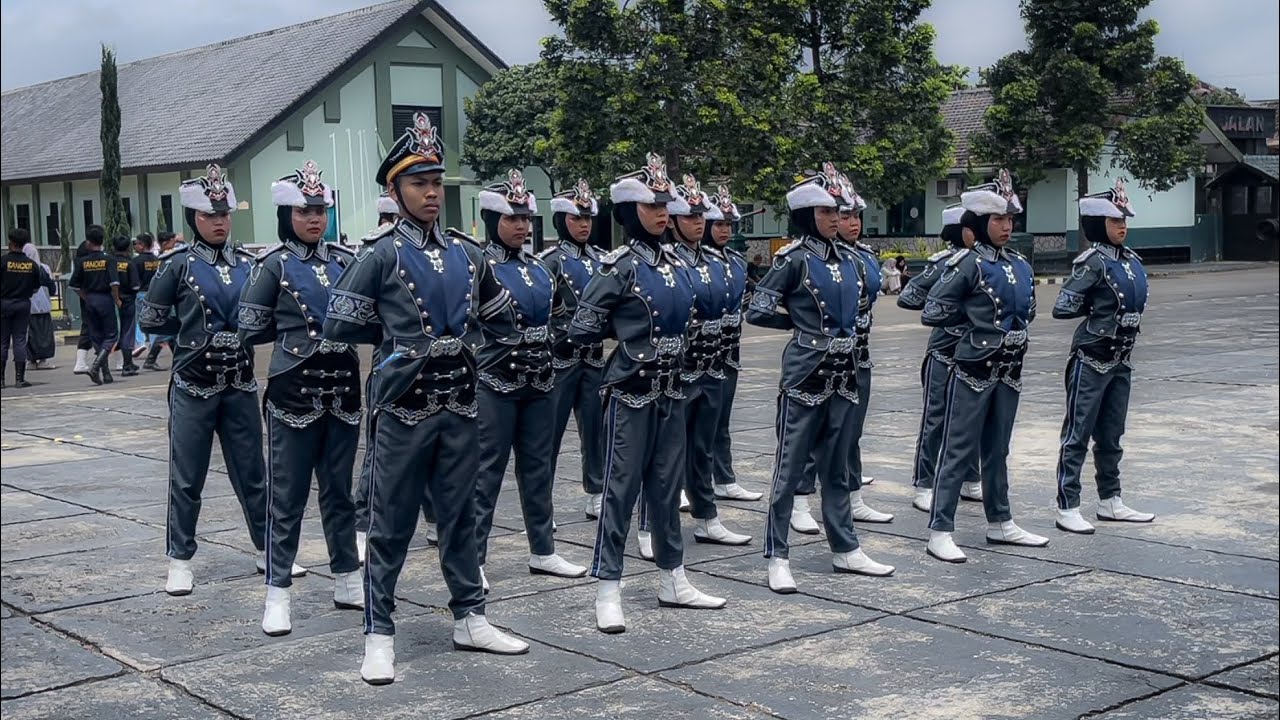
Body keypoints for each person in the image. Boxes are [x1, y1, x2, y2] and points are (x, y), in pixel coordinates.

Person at [323, 112, 529, 685]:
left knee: (461, 519)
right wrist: (398, 352)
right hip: (403, 410)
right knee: (389, 525)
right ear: (395, 190)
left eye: (437, 182)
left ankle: (470, 617)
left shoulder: (469, 254)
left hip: (461, 407)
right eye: (419, 183)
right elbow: (340, 325)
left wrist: (465, 355)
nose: (432, 192)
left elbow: (504, 323)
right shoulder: (378, 255)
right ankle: (378, 633)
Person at [569, 152, 727, 634]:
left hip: (672, 388)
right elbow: (583, 327)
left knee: (666, 486)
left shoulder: (676, 261)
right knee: (620, 489)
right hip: (631, 389)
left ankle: (672, 577)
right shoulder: (619, 266)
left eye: (665, 206)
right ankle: (607, 587)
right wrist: (630, 340)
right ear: (628, 212)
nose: (662, 214)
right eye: (652, 207)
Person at [138, 164, 293, 595]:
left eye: (225, 215)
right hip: (193, 383)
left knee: (254, 474)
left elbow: (269, 317)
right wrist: (191, 336)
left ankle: (269, 550)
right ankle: (180, 558)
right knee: (187, 476)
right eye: (211, 216)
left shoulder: (249, 264)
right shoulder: (177, 265)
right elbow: (150, 318)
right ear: (195, 219)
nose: (221, 222)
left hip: (240, 383)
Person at [746, 163, 895, 594]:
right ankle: (777, 554)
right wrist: (800, 326)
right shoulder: (793, 259)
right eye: (827, 211)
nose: (836, 218)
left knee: (837, 465)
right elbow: (758, 308)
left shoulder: (852, 258)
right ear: (808, 215)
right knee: (789, 468)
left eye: (839, 211)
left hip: (846, 373)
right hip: (806, 372)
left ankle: (846, 548)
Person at [238, 161, 363, 636]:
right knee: (286, 497)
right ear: (286, 213)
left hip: (344, 389)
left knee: (339, 493)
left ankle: (347, 578)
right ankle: (277, 591)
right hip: (294, 388)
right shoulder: (274, 264)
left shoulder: (344, 260)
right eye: (304, 210)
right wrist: (294, 339)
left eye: (320, 210)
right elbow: (250, 326)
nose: (314, 218)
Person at [920, 169, 1049, 563]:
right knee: (958, 449)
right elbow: (932, 309)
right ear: (977, 222)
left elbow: (1027, 309)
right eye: (998, 219)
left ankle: (1001, 521)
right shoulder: (967, 264)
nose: (1007, 226)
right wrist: (972, 330)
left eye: (1010, 219)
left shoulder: (1020, 265)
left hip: (1009, 369)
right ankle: (940, 529)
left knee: (998, 449)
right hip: (974, 369)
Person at [471, 169, 588, 589]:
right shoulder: (477, 268)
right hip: (494, 385)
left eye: (525, 219)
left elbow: (560, 317)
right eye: (512, 219)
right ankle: (474, 559)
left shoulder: (541, 269)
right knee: (486, 473)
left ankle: (543, 549)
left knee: (539, 469)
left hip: (540, 384)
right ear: (492, 221)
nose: (521, 226)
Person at [1051, 179, 1155, 533]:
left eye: (1124, 219)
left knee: (1112, 434)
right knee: (1077, 433)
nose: (1122, 225)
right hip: (1092, 357)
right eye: (1114, 221)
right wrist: (1097, 311)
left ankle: (1111, 500)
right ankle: (1068, 505)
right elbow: (1064, 307)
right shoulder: (1092, 263)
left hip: (1121, 358)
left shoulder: (1130, 260)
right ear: (1098, 224)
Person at [792, 176, 893, 527]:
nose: (849, 223)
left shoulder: (861, 257)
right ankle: (800, 501)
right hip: (817, 358)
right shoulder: (815, 258)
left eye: (853, 216)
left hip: (855, 357)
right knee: (807, 434)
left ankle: (854, 495)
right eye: (841, 215)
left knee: (851, 432)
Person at [661, 173, 750, 547]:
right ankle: (655, 525)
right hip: (677, 370)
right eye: (690, 217)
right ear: (674, 221)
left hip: (712, 365)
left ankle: (707, 516)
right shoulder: (666, 262)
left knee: (703, 446)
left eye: (702, 217)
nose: (699, 223)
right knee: (667, 452)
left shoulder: (717, 262)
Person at [351, 190, 439, 565]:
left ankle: (436, 520)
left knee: (439, 452)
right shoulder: (376, 254)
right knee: (381, 457)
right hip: (393, 370)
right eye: (386, 220)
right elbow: (357, 315)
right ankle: (364, 522)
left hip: (436, 370)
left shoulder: (437, 254)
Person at [898, 205, 983, 512]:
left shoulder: (989, 261)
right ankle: (924, 482)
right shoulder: (945, 264)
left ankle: (971, 479)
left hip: (978, 354)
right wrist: (945, 306)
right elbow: (908, 297)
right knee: (936, 418)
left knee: (974, 418)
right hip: (945, 351)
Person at [540, 179, 607, 519]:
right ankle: (541, 501)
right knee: (547, 436)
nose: (583, 225)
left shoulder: (602, 260)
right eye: (576, 219)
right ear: (561, 221)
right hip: (560, 360)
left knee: (596, 431)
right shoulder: (549, 262)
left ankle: (596, 491)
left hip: (593, 359)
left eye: (587, 219)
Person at [704, 186, 762, 503]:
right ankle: (689, 483)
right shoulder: (695, 262)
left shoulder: (737, 263)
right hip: (697, 356)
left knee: (721, 421)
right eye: (719, 224)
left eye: (728, 225)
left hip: (728, 352)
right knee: (693, 425)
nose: (725, 230)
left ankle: (724, 478)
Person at [1, 229, 54, 388]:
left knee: (3, 342)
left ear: (10, 243)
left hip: (4, 303)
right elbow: (36, 288)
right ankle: (19, 378)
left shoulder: (3, 262)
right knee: (19, 340)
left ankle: (2, 380)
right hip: (23, 304)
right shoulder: (32, 265)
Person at [68, 225, 120, 385]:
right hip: (104, 298)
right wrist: (117, 299)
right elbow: (114, 282)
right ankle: (96, 367)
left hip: (90, 300)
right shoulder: (109, 259)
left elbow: (75, 285)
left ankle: (106, 373)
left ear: (88, 243)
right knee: (111, 335)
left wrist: (86, 297)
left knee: (97, 337)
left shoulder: (81, 262)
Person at [140, 231, 178, 370]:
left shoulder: (160, 257)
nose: (175, 245)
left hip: (164, 296)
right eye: (173, 242)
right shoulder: (164, 259)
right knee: (168, 331)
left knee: (174, 331)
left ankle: (179, 359)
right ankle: (151, 359)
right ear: (166, 243)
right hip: (163, 297)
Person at [23, 242, 58, 371]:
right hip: (43, 307)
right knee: (44, 336)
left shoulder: (23, 268)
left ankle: (31, 361)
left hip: (28, 307)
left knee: (30, 336)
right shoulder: (44, 268)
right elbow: (52, 287)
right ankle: (43, 360)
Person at [111, 235, 142, 376]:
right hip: (127, 300)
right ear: (128, 248)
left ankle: (105, 366)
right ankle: (127, 364)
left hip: (110, 301)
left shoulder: (109, 262)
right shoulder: (129, 264)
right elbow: (135, 285)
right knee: (127, 331)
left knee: (113, 332)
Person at [132, 233, 160, 358]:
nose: (134, 246)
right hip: (155, 294)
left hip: (141, 293)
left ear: (142, 245)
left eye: (136, 243)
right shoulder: (158, 260)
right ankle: (154, 346)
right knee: (153, 320)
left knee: (138, 320)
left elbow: (134, 280)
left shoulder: (136, 261)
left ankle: (140, 342)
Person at [71, 239, 97, 375]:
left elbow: (74, 285)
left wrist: (84, 297)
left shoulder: (79, 264)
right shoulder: (96, 261)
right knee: (108, 331)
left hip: (87, 299)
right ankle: (119, 362)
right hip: (98, 299)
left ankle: (81, 362)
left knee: (87, 328)